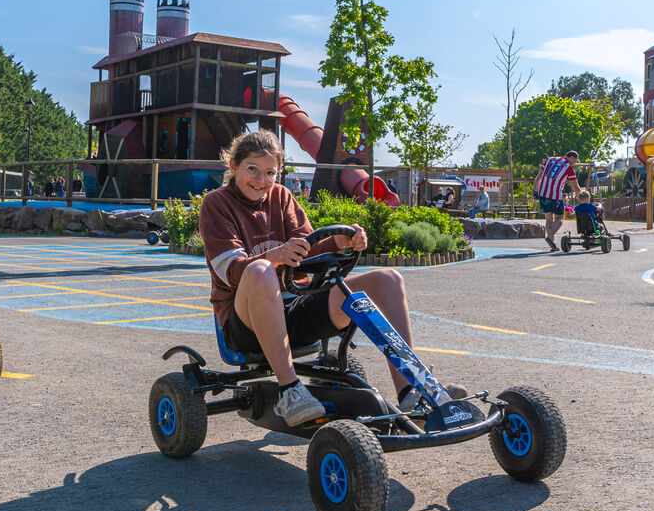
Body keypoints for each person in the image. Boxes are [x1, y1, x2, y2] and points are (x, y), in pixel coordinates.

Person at [199, 131, 467, 426]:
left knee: (388, 278)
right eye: (252, 169)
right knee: (260, 271)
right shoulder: (217, 204)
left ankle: (411, 389)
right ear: (234, 166)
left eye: (270, 172)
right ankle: (290, 392)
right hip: (244, 323)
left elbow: (307, 250)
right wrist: (275, 256)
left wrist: (339, 240)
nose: (261, 180)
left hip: (296, 307)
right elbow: (231, 272)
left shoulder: (281, 196)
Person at [534, 150, 582, 251]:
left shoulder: (549, 159)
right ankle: (550, 235)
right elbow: (575, 186)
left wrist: (534, 190)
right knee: (560, 217)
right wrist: (581, 198)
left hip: (542, 193)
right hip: (555, 195)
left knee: (549, 219)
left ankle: (552, 242)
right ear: (571, 157)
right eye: (575, 161)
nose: (575, 163)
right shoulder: (568, 168)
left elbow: (539, 176)